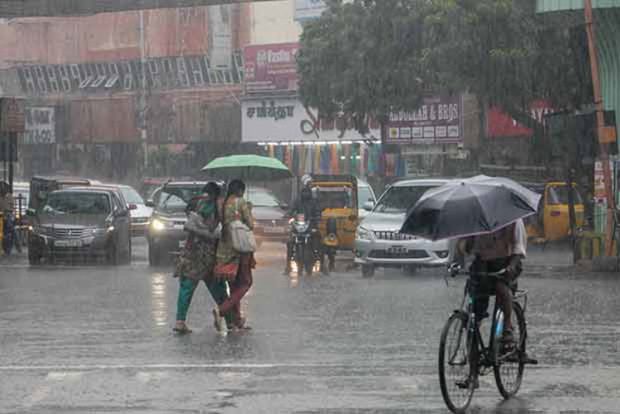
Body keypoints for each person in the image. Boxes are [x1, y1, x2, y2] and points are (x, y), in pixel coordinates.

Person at [457, 219, 527, 349]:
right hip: (482, 264)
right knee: (476, 295)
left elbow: (519, 249)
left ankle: (507, 328)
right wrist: (467, 242)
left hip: (508, 262)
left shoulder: (514, 220)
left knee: (501, 286)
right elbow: (464, 248)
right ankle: (474, 331)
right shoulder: (475, 220)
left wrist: (511, 266)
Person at [173, 182, 229, 334]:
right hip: (207, 253)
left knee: (186, 286)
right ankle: (230, 319)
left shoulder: (195, 202)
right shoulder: (214, 205)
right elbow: (216, 227)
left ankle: (180, 321)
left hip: (191, 251)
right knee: (217, 287)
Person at [213, 179, 255, 332]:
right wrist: (249, 210)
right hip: (240, 249)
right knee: (246, 282)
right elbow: (250, 225)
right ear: (240, 191)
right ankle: (222, 310)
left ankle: (237, 321)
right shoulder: (241, 202)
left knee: (233, 286)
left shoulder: (221, 203)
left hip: (224, 249)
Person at [284, 175, 322, 275]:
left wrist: (317, 218)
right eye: (308, 184)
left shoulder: (314, 200)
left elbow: (318, 211)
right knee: (290, 242)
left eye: (310, 184)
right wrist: (289, 215)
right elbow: (292, 209)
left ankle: (322, 264)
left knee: (318, 239)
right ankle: (288, 267)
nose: (310, 186)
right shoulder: (297, 200)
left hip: (311, 225)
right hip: (299, 226)